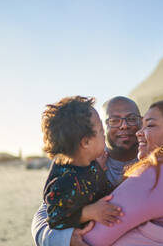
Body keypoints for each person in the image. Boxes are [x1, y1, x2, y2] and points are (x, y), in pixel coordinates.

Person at [31, 96, 163, 246]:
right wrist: (60, 239)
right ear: (99, 129)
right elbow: (48, 207)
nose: (124, 126)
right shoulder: (80, 161)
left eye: (132, 119)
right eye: (114, 120)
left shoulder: (158, 162)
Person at [41, 96, 122, 230]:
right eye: (101, 131)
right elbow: (55, 219)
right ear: (86, 142)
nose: (104, 135)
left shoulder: (90, 165)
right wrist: (89, 212)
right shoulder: (66, 181)